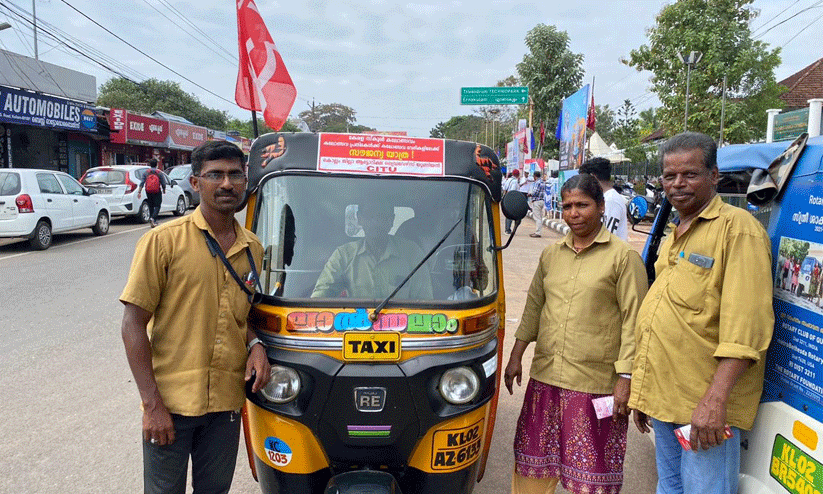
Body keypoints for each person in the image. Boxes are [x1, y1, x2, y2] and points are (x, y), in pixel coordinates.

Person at [120, 141, 270, 494]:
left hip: (225, 405)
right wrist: (151, 405)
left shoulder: (253, 249)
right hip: (171, 404)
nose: (227, 184)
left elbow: (241, 315)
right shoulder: (163, 242)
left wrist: (256, 344)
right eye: (215, 174)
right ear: (194, 182)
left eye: (235, 174)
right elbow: (132, 325)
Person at [629, 132, 774, 494]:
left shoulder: (738, 231)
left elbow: (746, 330)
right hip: (666, 399)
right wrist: (644, 393)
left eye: (690, 174)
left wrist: (715, 401)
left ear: (714, 176)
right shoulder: (677, 231)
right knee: (671, 487)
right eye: (669, 176)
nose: (678, 184)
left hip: (703, 409)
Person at [504, 173, 648, 494]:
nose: (573, 213)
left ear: (600, 207)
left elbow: (635, 322)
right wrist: (516, 356)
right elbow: (534, 307)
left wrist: (626, 378)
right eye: (567, 206)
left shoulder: (623, 259)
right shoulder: (551, 255)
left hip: (595, 386)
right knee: (532, 467)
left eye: (582, 205)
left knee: (590, 476)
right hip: (545, 380)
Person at [311, 202, 433, 300]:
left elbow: (425, 303)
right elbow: (319, 298)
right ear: (359, 219)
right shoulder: (343, 255)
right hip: (354, 327)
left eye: (382, 216)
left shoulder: (412, 253)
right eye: (370, 216)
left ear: (391, 220)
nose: (375, 223)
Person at [580, 157, 628, 241]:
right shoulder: (605, 198)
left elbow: (606, 236)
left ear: (593, 177)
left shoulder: (611, 201)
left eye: (584, 179)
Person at [137, 158, 166, 228]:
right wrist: (164, 189)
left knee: (151, 205)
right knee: (158, 205)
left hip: (148, 191)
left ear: (150, 165)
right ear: (156, 165)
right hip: (157, 191)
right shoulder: (159, 172)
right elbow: (163, 182)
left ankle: (152, 219)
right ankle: (153, 218)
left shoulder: (146, 172)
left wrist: (139, 191)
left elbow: (142, 182)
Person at [527, 170, 546, 238]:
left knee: (537, 218)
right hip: (542, 200)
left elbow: (535, 192)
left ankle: (538, 232)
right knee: (540, 217)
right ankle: (538, 231)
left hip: (537, 201)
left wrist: (529, 194)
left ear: (535, 176)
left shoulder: (537, 183)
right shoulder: (543, 182)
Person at [503, 169, 521, 234]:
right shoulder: (515, 181)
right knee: (514, 214)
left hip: (506, 198)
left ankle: (507, 229)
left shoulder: (508, 180)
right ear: (517, 175)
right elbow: (513, 191)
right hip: (512, 199)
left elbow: (504, 188)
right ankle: (509, 229)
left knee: (508, 214)